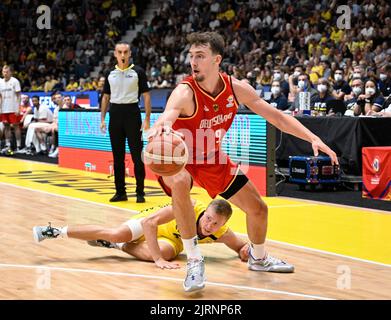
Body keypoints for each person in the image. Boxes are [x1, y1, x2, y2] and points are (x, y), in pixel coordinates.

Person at [147, 32, 338, 292]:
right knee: (180, 180)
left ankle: (258, 259)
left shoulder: (236, 89)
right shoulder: (184, 91)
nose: (193, 62)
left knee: (259, 209)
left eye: (200, 56)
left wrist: (312, 137)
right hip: (180, 159)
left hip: (212, 158)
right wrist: (161, 128)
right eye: (191, 56)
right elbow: (167, 116)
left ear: (217, 60)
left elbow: (278, 117)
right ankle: (194, 260)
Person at [32, 199, 250, 269]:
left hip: (170, 239)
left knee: (167, 253)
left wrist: (250, 252)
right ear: (205, 211)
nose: (209, 225)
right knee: (117, 233)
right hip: (149, 222)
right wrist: (157, 259)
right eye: (208, 218)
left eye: (215, 223)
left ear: (224, 223)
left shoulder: (220, 232)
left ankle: (115, 247)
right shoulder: (187, 206)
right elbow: (149, 223)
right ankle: (54, 231)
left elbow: (241, 247)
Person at [100, 41, 151, 204]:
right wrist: (102, 118)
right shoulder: (109, 73)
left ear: (130, 54)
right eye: (119, 52)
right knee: (118, 157)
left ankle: (140, 192)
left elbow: (146, 96)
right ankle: (120, 192)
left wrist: (148, 119)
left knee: (137, 156)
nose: (123, 55)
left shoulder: (138, 72)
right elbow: (106, 97)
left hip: (132, 114)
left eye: (125, 52)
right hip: (115, 114)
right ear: (115, 54)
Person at [0, 65, 22, 153]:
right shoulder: (0, 82)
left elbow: (19, 95)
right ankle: (8, 145)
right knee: (6, 126)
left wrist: (18, 108)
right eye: (3, 72)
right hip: (4, 109)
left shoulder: (15, 81)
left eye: (7, 72)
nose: (5, 73)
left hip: (13, 108)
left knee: (16, 126)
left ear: (10, 72)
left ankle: (19, 146)